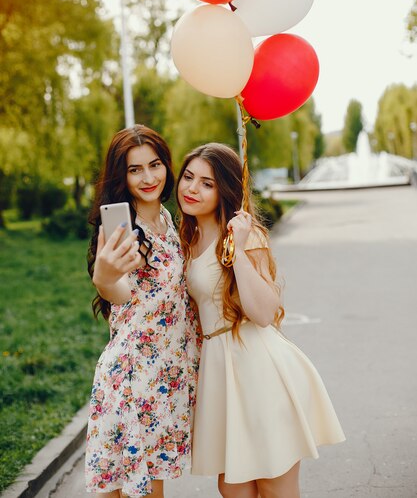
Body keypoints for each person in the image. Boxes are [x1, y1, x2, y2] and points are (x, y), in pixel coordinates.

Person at [176, 142, 345, 498]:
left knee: (273, 485)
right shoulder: (186, 237)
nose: (192, 188)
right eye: (188, 177)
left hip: (257, 366)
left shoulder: (245, 233)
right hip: (221, 372)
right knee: (232, 487)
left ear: (225, 190)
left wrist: (237, 248)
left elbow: (265, 312)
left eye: (207, 183)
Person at [85, 125, 200, 498]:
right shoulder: (123, 227)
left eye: (155, 165)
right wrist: (104, 277)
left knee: (146, 489)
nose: (148, 177)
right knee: (133, 491)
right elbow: (119, 293)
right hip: (134, 379)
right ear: (122, 175)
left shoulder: (169, 220)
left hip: (165, 378)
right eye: (135, 169)